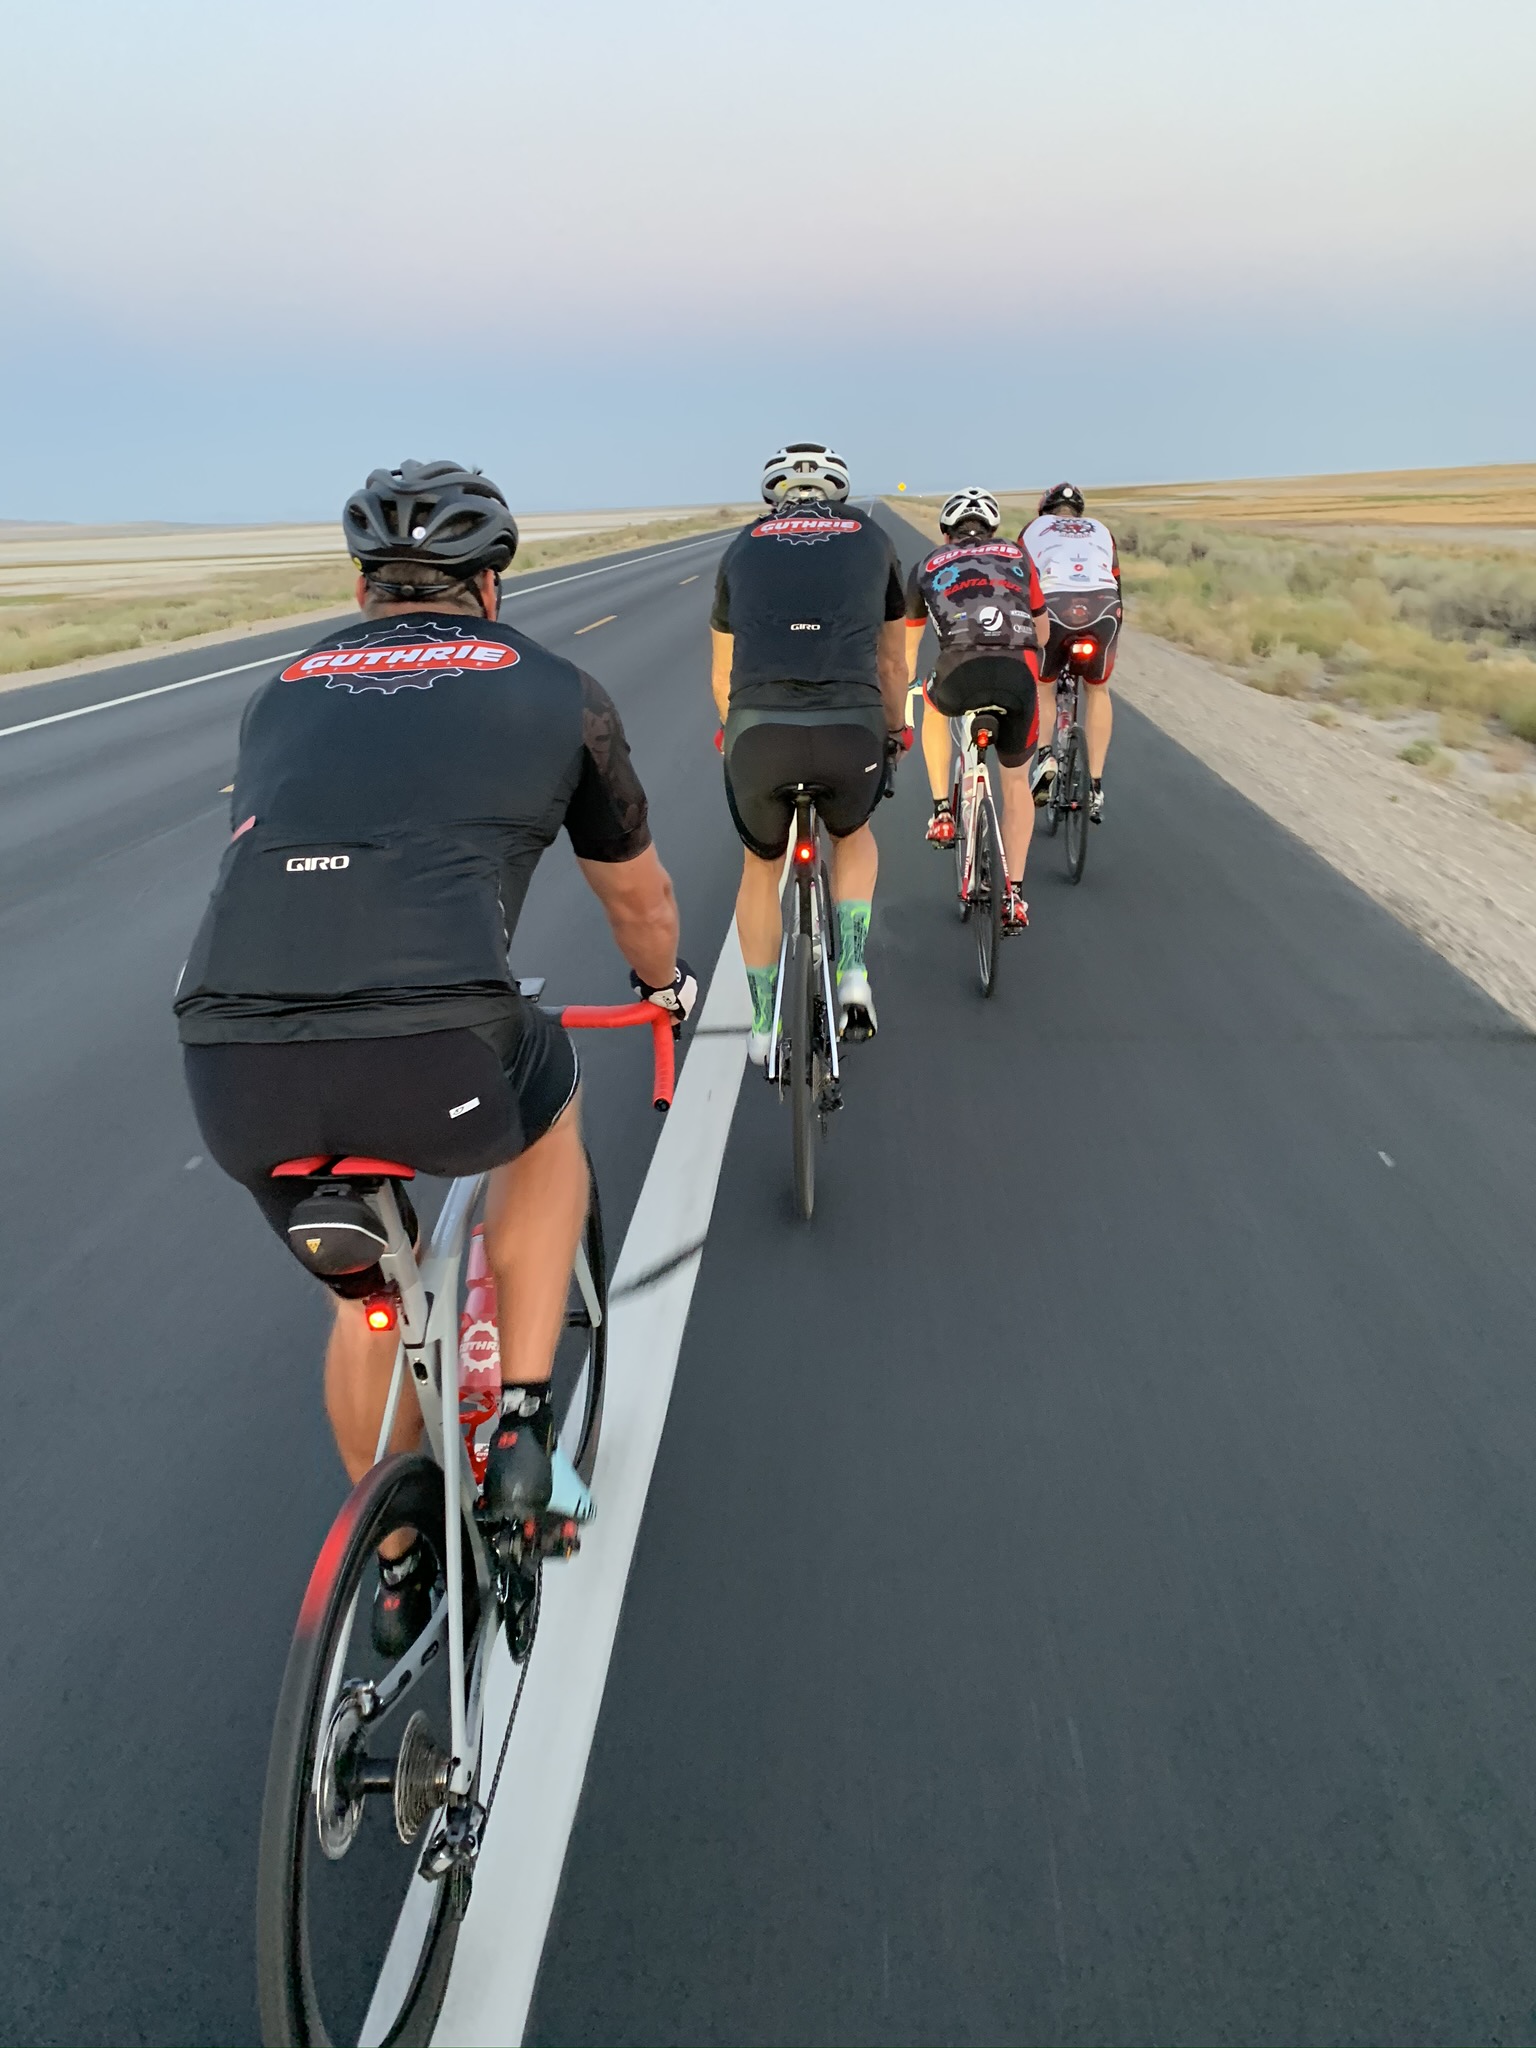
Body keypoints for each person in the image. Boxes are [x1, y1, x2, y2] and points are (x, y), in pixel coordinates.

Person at [175, 459, 695, 1652]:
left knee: (366, 1300)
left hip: (231, 1059)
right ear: (491, 589)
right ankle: (523, 1432)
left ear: (362, 586)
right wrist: (664, 986)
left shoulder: (277, 693)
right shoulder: (557, 689)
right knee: (545, 1110)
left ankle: (398, 1558)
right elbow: (641, 899)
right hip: (440, 1043)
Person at [711, 442, 910, 1065]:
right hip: (851, 727)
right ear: (840, 490)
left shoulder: (740, 545)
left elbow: (722, 676)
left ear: (772, 494)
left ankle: (762, 1024)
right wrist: (897, 731)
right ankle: (852, 972)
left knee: (759, 866)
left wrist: (733, 733)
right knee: (852, 835)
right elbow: (893, 664)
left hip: (760, 731)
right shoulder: (873, 539)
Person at [905, 488, 1049, 930]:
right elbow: (1042, 634)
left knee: (931, 703)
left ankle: (942, 813)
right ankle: (1015, 895)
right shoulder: (1019, 556)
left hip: (959, 673)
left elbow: (906, 650)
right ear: (993, 529)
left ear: (946, 533)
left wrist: (905, 688)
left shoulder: (927, 565)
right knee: (1016, 783)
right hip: (1017, 676)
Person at [1020, 483, 1122, 822]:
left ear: (1044, 510)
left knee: (1044, 684)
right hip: (1104, 607)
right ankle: (1095, 787)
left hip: (1055, 605)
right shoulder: (1101, 529)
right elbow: (1116, 581)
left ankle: (1045, 756)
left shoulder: (1033, 529)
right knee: (1098, 689)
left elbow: (1021, 581)